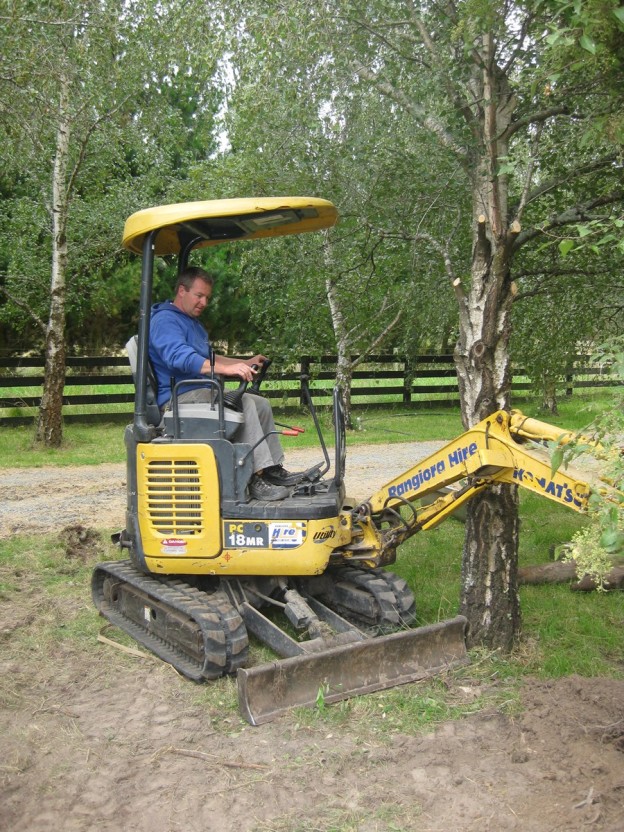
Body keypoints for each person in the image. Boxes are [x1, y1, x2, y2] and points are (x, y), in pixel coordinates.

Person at [148, 267, 307, 501]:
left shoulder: (191, 322)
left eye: (207, 298)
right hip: (178, 399)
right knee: (243, 403)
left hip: (200, 393)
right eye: (199, 296)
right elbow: (178, 356)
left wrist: (242, 362)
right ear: (182, 291)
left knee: (259, 404)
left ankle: (272, 469)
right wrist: (226, 369)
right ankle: (253, 477)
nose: (204, 302)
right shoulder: (165, 321)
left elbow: (210, 359)